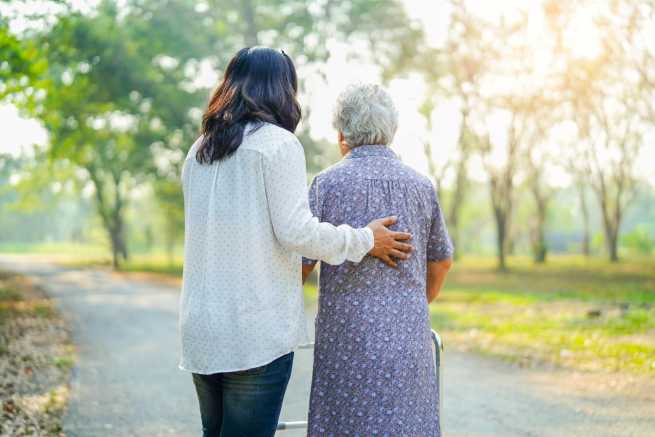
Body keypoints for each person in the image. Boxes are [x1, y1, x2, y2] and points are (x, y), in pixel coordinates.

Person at [179, 48, 414, 437]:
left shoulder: (199, 150)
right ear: (283, 89)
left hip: (202, 326)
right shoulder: (277, 144)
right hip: (252, 330)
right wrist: (365, 239)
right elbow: (298, 233)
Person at [302, 83, 454, 436]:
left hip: (345, 337)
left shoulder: (326, 185)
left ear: (342, 135)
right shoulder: (421, 186)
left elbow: (303, 264)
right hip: (408, 334)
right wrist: (413, 303)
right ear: (393, 130)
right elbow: (441, 261)